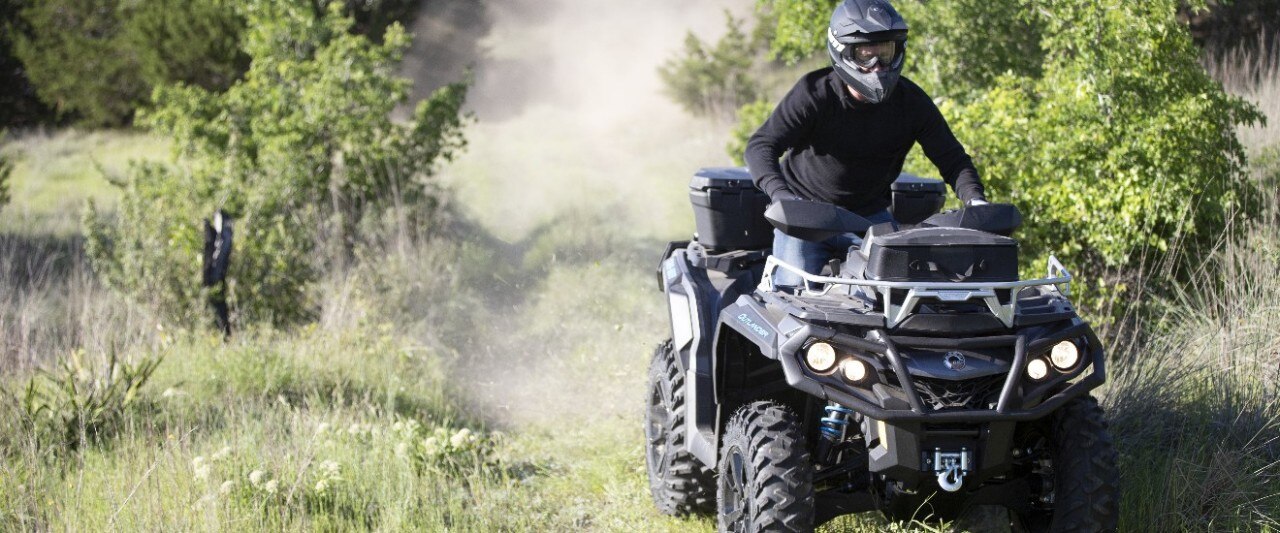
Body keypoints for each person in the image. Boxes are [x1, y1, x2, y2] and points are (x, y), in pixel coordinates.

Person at [745, 0, 988, 288]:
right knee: (791, 296)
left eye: (885, 52)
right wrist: (781, 196)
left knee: (896, 299)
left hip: (871, 219)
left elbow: (953, 159)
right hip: (805, 217)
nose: (877, 65)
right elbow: (761, 146)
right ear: (843, 52)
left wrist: (975, 200)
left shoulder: (911, 102)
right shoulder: (814, 94)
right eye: (866, 54)